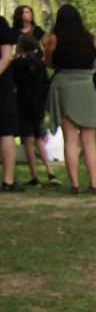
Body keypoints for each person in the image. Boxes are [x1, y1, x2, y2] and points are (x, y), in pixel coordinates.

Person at [43, 4, 96, 195]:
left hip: (65, 85)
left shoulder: (54, 39)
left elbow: (49, 62)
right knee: (89, 141)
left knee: (70, 138)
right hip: (88, 85)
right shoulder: (89, 38)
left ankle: (75, 184)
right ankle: (93, 184)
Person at [12, 35, 60, 187]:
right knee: (39, 141)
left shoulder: (18, 64)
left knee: (28, 142)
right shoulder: (40, 64)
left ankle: (34, 176)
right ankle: (51, 173)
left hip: (23, 106)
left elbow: (14, 83)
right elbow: (45, 85)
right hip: (38, 106)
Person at [0, 14, 24, 193]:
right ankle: (8, 180)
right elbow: (7, 57)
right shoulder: (1, 24)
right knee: (6, 133)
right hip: (2, 87)